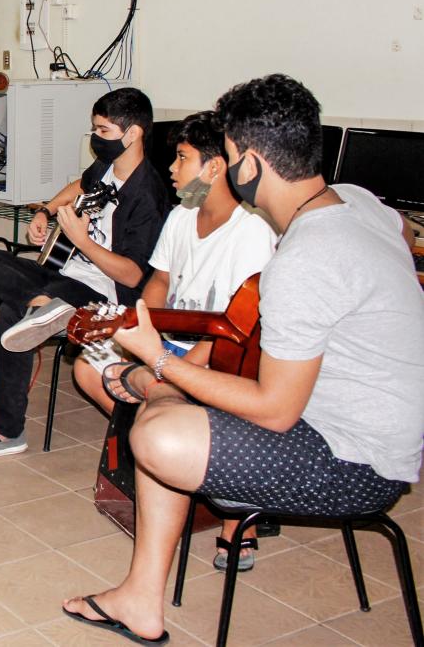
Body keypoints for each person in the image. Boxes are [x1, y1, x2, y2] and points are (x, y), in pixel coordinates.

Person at [60, 74, 424, 644]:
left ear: (250, 164)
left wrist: (159, 361)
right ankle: (140, 599)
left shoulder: (304, 256)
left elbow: (276, 411)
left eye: (227, 158)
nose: (223, 173)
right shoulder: (356, 201)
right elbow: (406, 232)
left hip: (357, 464)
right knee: (163, 407)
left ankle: (149, 588)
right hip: (365, 428)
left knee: (159, 434)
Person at [71, 110, 276, 571]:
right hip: (171, 343)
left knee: (166, 393)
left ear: (215, 167)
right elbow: (159, 279)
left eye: (182, 159)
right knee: (88, 367)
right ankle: (177, 463)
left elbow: (240, 327)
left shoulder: (253, 231)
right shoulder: (183, 215)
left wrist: (162, 363)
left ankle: (230, 515)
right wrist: (144, 331)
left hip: (224, 354)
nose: (172, 169)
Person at [0, 87, 169, 460]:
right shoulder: (107, 168)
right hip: (62, 278)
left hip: (105, 295)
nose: (95, 139)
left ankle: (6, 432)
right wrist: (46, 211)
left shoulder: (148, 195)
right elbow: (80, 185)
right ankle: (42, 304)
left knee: (9, 315)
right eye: (94, 129)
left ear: (133, 134)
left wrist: (83, 242)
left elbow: (133, 277)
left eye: (103, 131)